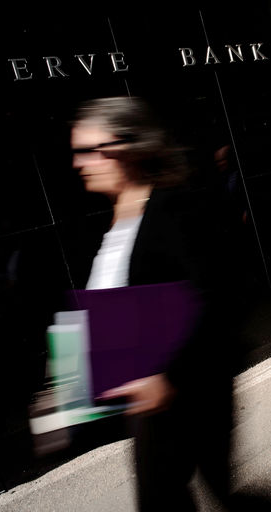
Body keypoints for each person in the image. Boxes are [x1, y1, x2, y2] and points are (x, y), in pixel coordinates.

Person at [70, 96, 243, 510]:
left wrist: (166, 373)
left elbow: (217, 294)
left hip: (186, 391)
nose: (79, 162)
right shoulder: (118, 220)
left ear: (126, 149)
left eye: (88, 150)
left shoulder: (173, 208)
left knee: (185, 498)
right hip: (148, 400)